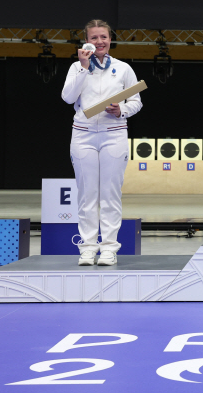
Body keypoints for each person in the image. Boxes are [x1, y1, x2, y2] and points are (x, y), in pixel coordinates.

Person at [61, 19, 143, 266]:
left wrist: (122, 110)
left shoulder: (123, 68)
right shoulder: (77, 67)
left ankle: (108, 248)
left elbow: (136, 101)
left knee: (110, 193)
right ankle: (87, 248)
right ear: (86, 41)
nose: (99, 42)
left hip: (114, 133)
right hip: (83, 134)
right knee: (87, 194)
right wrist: (84, 67)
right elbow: (67, 98)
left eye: (103, 37)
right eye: (94, 38)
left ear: (110, 39)